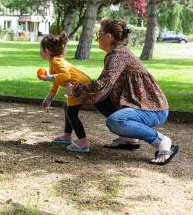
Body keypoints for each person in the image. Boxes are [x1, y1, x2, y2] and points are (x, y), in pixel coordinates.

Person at [68, 18, 178, 165]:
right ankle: (129, 139)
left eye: (99, 33)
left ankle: (163, 142)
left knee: (115, 121)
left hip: (153, 110)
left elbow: (102, 85)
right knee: (99, 98)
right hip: (141, 106)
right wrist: (82, 91)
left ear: (109, 36)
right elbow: (103, 90)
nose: (97, 36)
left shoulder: (117, 55)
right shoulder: (117, 53)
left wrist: (76, 89)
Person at [39, 32, 92, 152]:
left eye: (40, 49)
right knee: (68, 108)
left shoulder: (55, 61)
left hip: (79, 87)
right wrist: (49, 98)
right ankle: (67, 136)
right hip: (80, 85)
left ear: (46, 50)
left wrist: (48, 77)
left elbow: (66, 76)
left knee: (72, 113)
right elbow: (58, 80)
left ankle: (83, 143)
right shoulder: (56, 60)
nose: (40, 52)